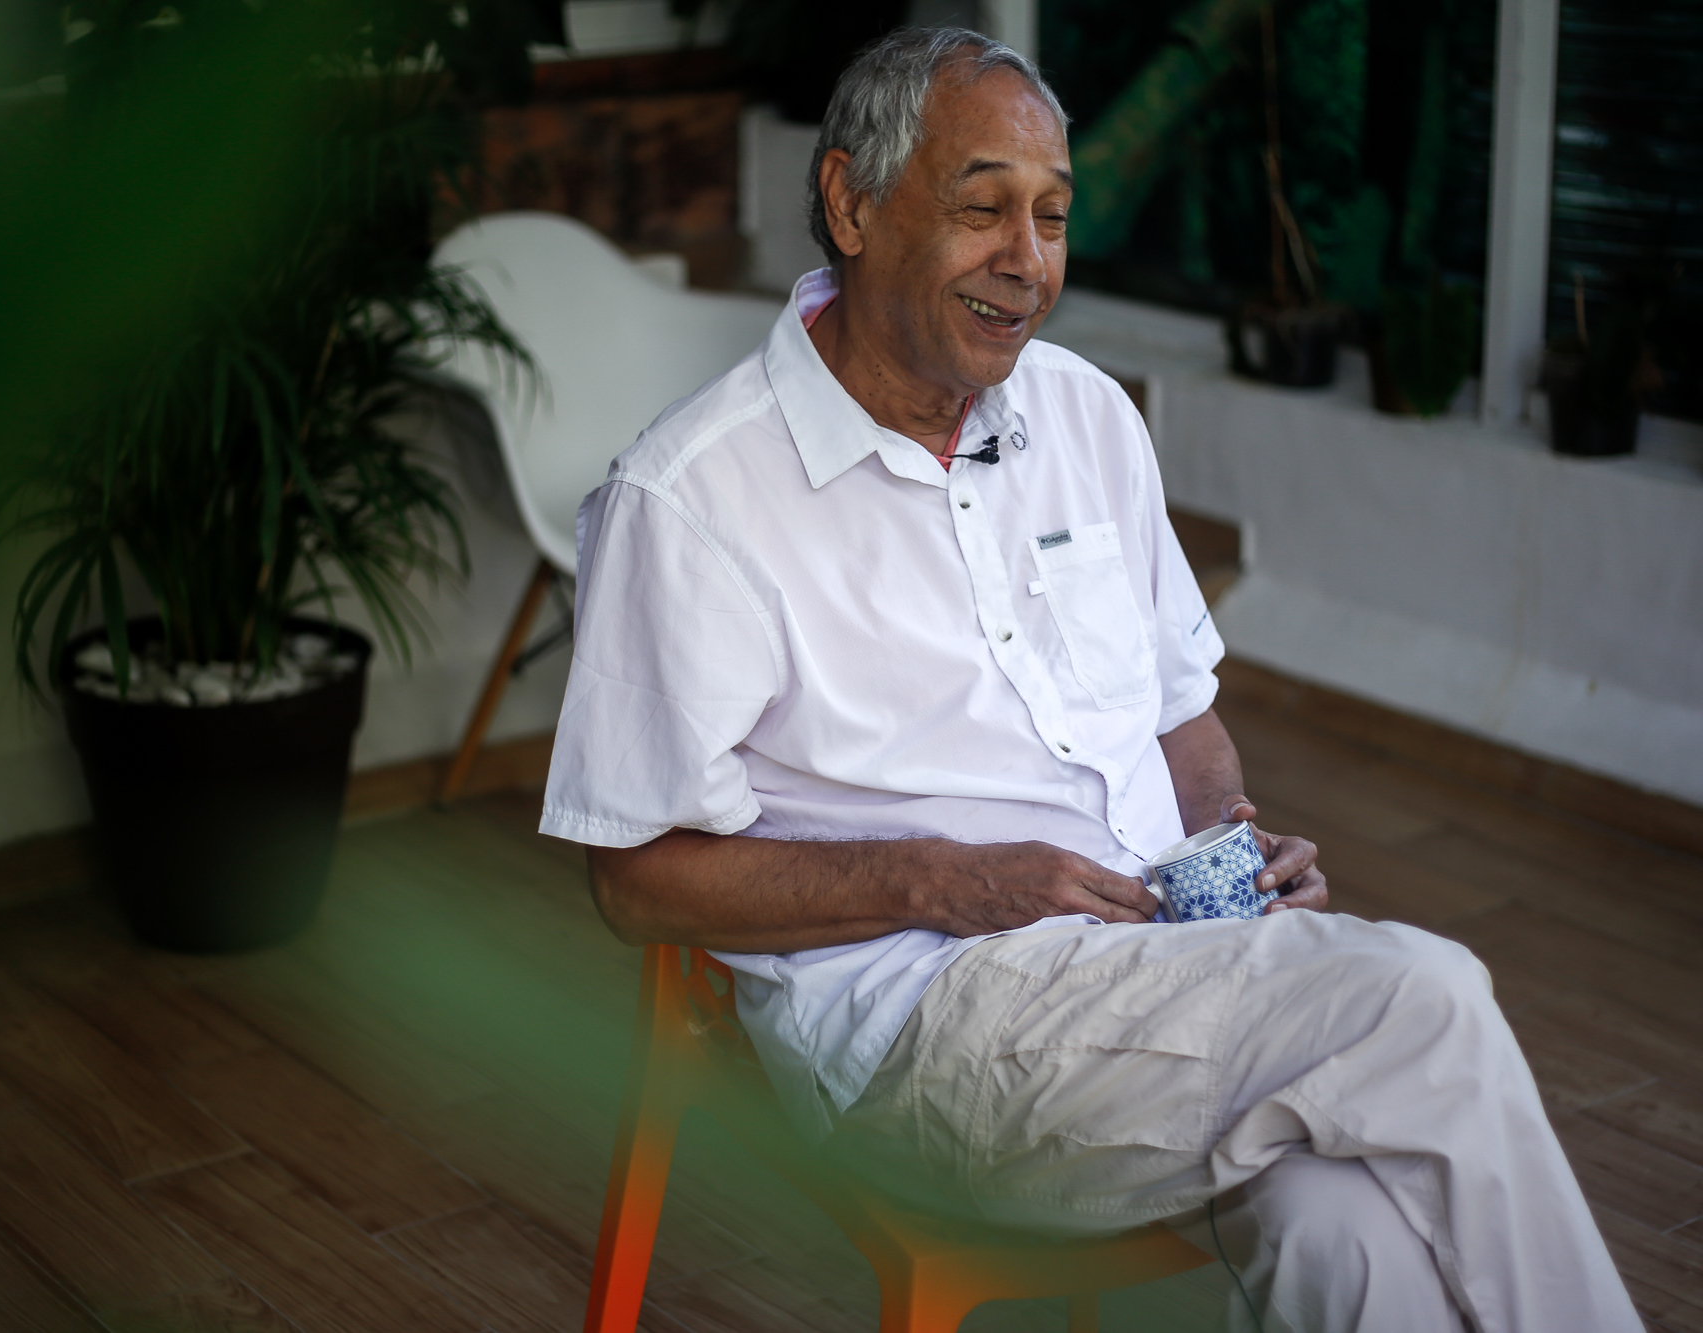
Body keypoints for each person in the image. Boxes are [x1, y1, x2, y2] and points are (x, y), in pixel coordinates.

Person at [538, 26, 1639, 1333]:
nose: (1029, 260)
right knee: (1422, 997)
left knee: (1341, 1225)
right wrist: (943, 880)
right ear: (851, 203)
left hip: (1159, 970)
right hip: (931, 1030)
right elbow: (634, 881)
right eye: (983, 209)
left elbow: (1179, 710)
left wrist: (1228, 842)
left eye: (1053, 216)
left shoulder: (1085, 416)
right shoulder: (695, 495)